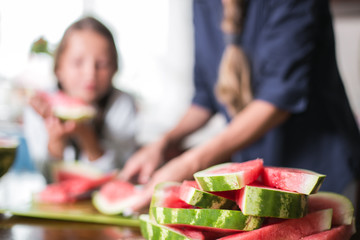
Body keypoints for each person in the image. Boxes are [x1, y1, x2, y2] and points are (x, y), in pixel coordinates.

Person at [120, 0, 360, 211]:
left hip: (320, 169)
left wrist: (191, 163)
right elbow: (205, 97)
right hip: (254, 175)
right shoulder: (203, 4)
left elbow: (277, 102)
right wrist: (165, 142)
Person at [24, 16, 137, 181]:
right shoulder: (40, 105)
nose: (90, 73)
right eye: (77, 62)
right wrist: (56, 141)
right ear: (58, 69)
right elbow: (48, 177)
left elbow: (118, 174)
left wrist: (87, 136)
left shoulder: (122, 103)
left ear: (115, 68)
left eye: (102, 64)